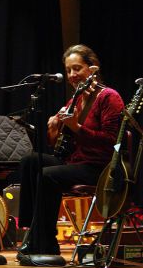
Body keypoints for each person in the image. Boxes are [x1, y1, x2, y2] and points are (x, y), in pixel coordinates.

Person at [17, 44, 125, 257]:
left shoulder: (108, 96)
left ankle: (44, 240)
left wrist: (77, 127)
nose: (72, 75)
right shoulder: (74, 100)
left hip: (100, 167)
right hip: (76, 162)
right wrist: (54, 129)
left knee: (48, 174)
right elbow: (59, 146)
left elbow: (112, 141)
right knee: (30, 161)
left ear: (92, 68)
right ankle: (34, 234)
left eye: (77, 68)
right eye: (68, 70)